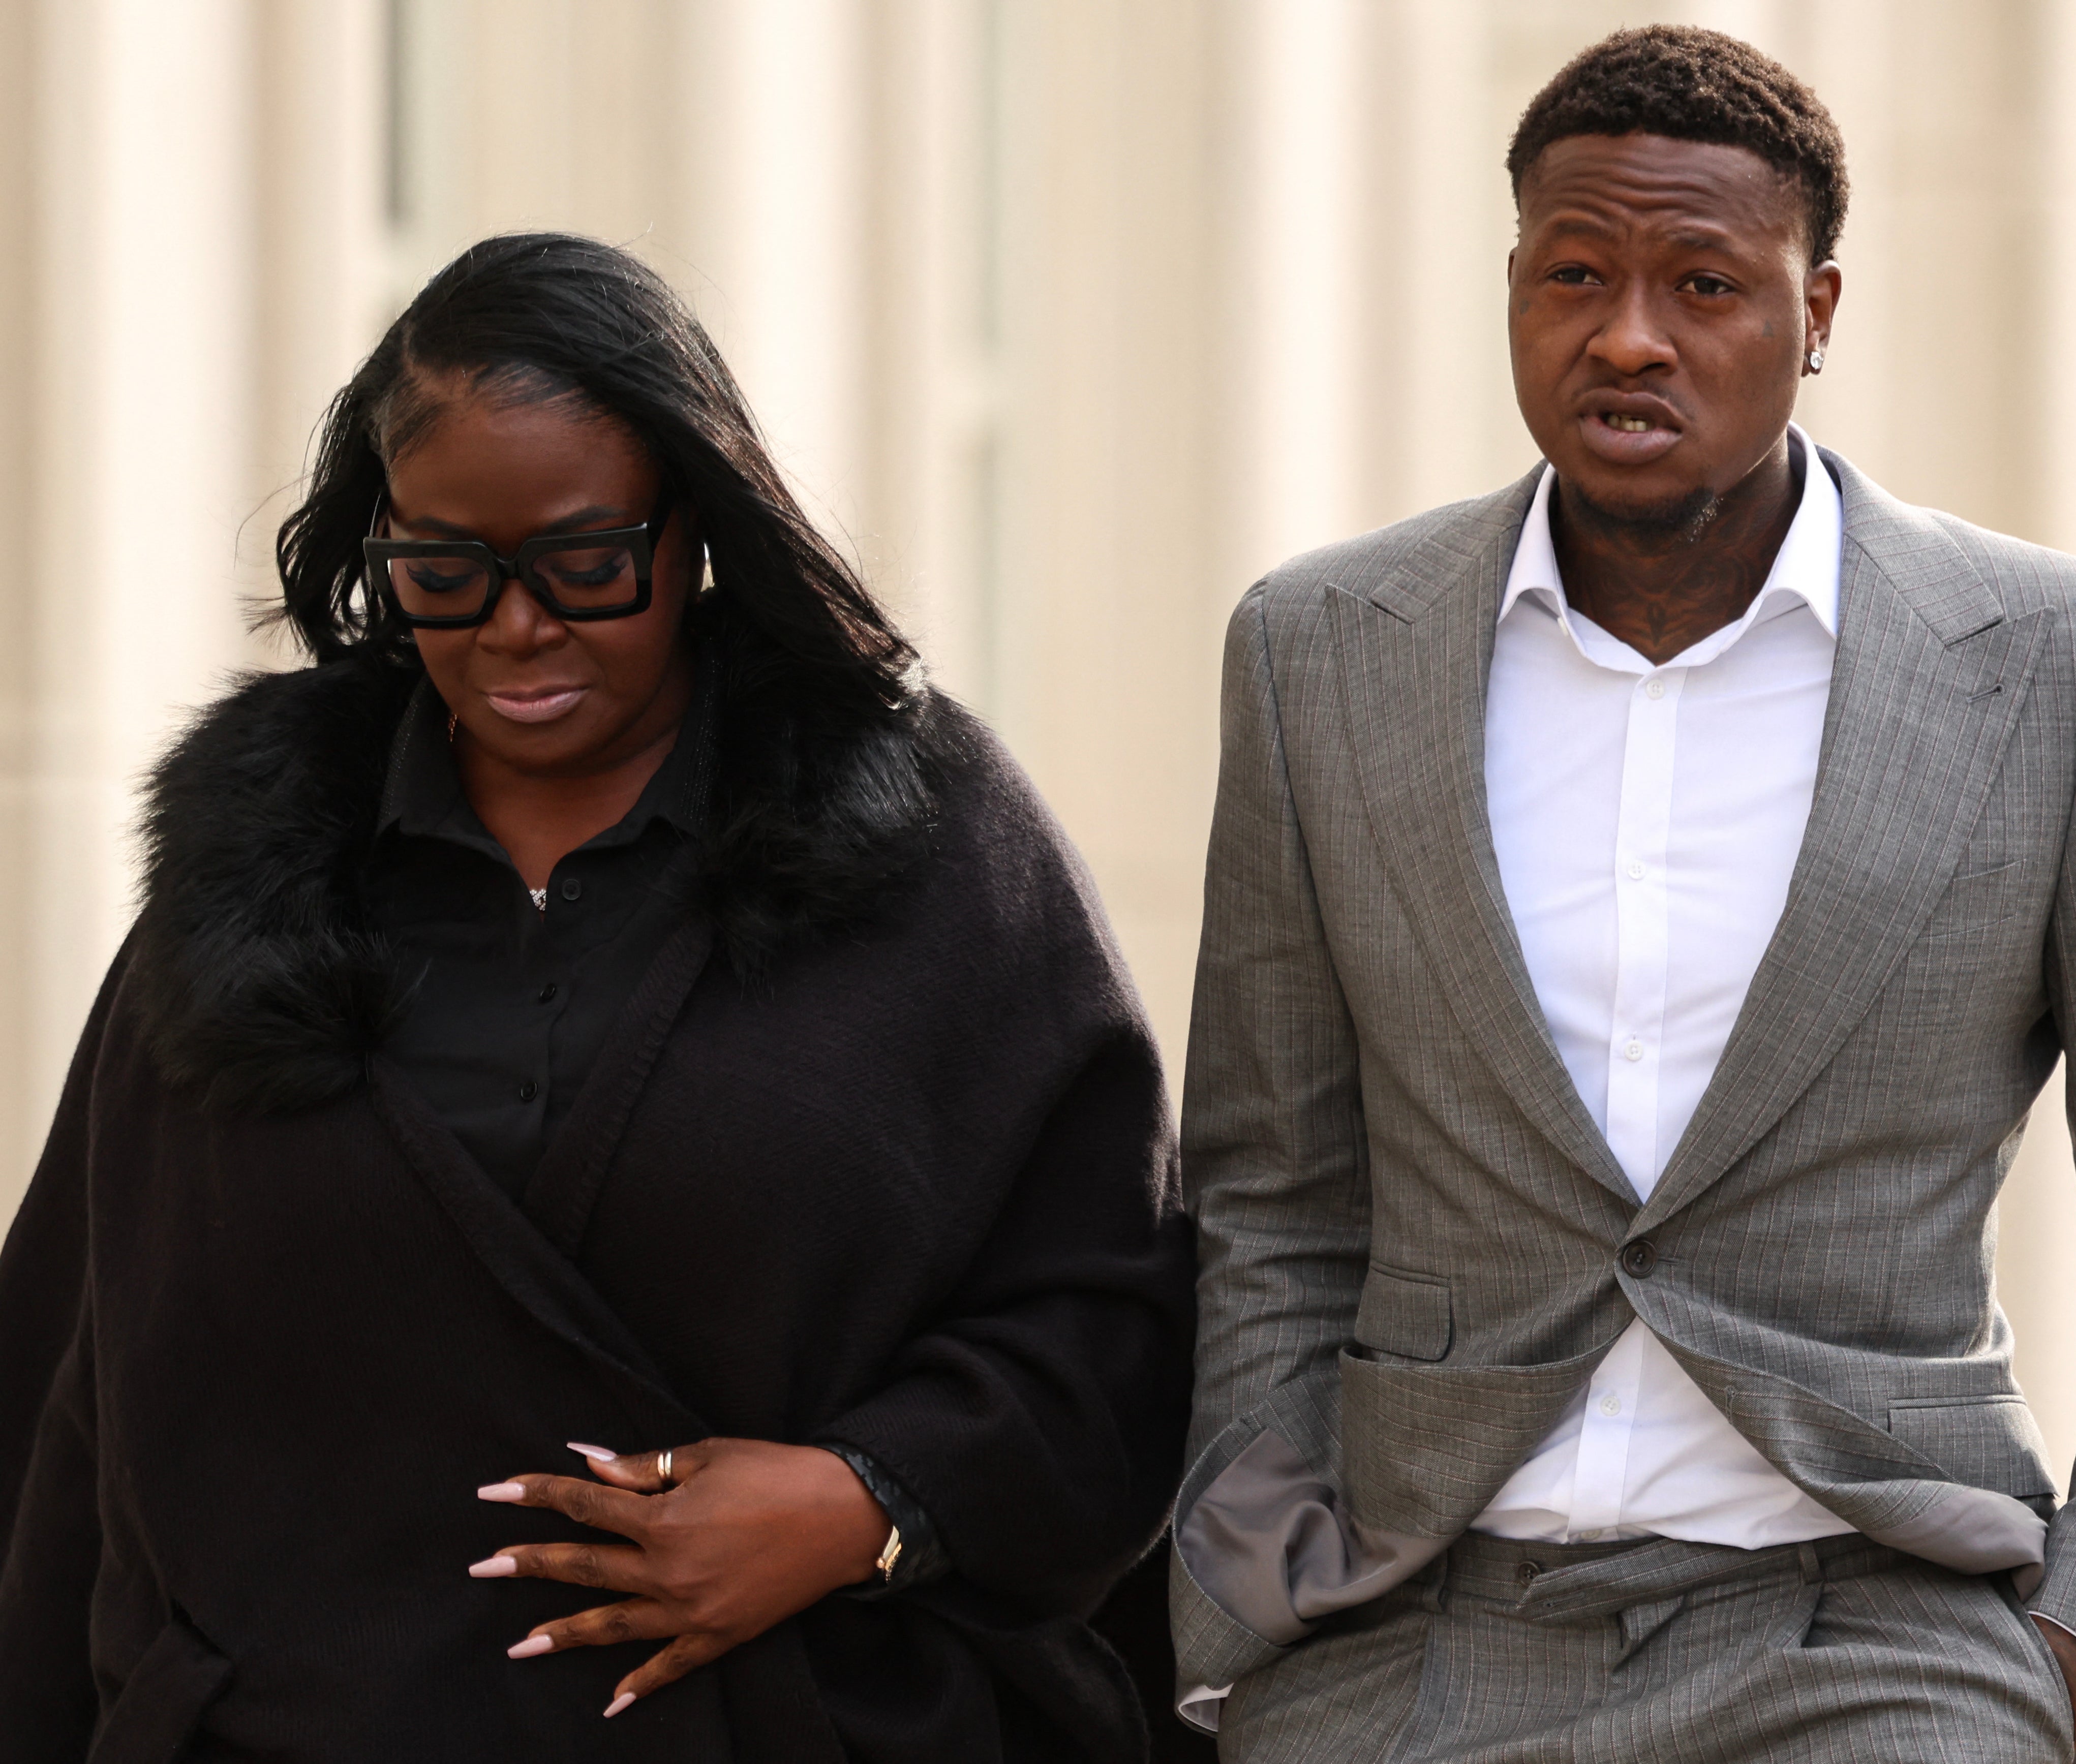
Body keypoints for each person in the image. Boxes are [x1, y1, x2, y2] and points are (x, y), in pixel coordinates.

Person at [1173, 27, 2076, 1763]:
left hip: (1872, 1633)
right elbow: (1271, 1185)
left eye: (1704, 282)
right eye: (1576, 272)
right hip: (1409, 1633)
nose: (1627, 332)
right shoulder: (1324, 652)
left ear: (1816, 314)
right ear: (1513, 288)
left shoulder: (2060, 668)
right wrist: (1247, 1607)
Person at [0, 232, 1195, 1762]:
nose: (513, 628)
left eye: (581, 564)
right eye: (442, 570)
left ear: (694, 530)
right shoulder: (253, 881)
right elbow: (75, 1375)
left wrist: (869, 1504)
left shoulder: (929, 841)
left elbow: (1114, 1315)